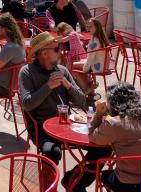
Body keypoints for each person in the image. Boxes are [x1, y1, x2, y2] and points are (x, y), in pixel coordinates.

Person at [19, 32, 105, 191]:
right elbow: (27, 104)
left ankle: (74, 182)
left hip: (67, 124)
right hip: (42, 128)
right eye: (57, 48)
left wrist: (67, 85)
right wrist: (48, 86)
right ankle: (47, 189)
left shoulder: (63, 70)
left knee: (104, 146)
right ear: (44, 52)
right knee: (51, 152)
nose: (61, 51)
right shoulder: (27, 72)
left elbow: (81, 101)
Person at [86, 83, 141, 192]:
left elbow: (92, 136)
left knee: (104, 175)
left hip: (134, 185)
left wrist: (98, 113)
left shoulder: (114, 124)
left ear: (113, 102)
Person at [70, 18, 110, 91]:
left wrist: (85, 69)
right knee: (80, 63)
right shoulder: (101, 38)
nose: (88, 29)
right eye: (87, 27)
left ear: (97, 28)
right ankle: (89, 84)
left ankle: (86, 87)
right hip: (103, 65)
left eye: (90, 27)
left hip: (97, 67)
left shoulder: (94, 42)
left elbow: (90, 58)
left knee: (71, 65)